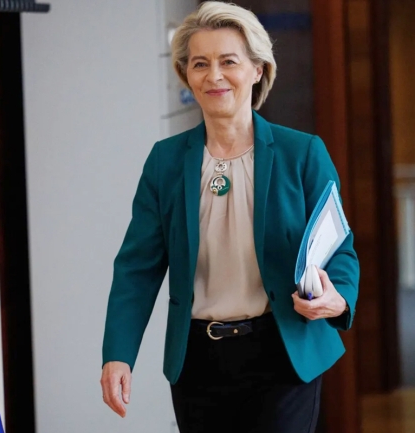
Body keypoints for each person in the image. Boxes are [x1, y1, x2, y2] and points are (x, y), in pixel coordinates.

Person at [99, 2, 360, 432]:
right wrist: (118, 354)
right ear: (186, 74)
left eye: (229, 62)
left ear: (258, 69)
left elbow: (341, 250)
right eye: (200, 64)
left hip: (283, 353)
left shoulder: (302, 154)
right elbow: (137, 268)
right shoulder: (165, 162)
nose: (214, 76)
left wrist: (339, 297)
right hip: (198, 363)